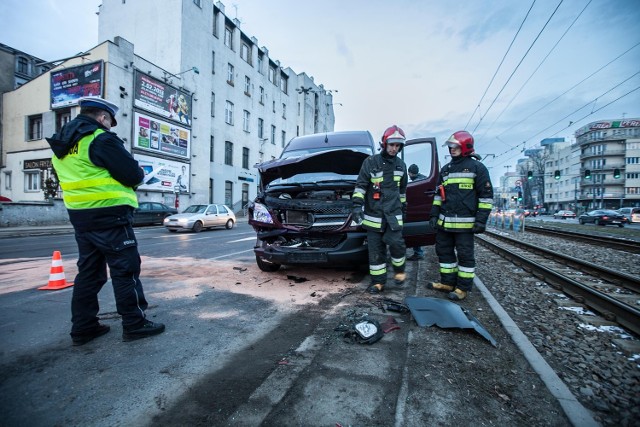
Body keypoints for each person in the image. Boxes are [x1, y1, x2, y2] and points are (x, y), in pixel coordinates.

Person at [46, 96, 165, 345]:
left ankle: (83, 328)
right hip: (110, 217)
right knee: (126, 271)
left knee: (89, 274)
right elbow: (133, 174)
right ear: (102, 117)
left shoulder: (63, 146)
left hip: (81, 219)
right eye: (110, 121)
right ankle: (134, 323)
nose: (110, 126)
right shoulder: (100, 139)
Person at [427, 130, 493, 301]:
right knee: (443, 252)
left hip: (465, 225)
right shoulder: (446, 169)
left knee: (465, 255)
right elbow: (438, 195)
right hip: (445, 224)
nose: (451, 149)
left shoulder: (477, 168)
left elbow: (486, 197)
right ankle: (447, 283)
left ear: (465, 146)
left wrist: (481, 221)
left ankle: (462, 289)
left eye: (455, 146)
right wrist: (434, 215)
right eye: (450, 146)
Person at [352, 125, 408, 294]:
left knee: (397, 245)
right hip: (374, 216)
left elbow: (403, 191)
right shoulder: (370, 162)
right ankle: (378, 282)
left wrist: (403, 209)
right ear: (384, 144)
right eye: (392, 144)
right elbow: (361, 186)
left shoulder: (401, 165)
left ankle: (399, 271)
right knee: (376, 252)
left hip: (393, 215)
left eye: (398, 146)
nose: (394, 148)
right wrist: (356, 206)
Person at [407, 164, 426, 261]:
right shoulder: (423, 178)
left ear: (410, 173)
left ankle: (418, 253)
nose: (408, 174)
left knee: (414, 231)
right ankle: (418, 252)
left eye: (409, 172)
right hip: (423, 210)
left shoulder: (416, 182)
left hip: (417, 210)